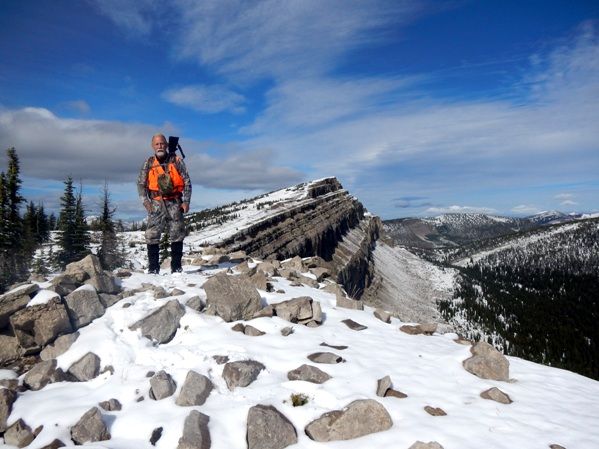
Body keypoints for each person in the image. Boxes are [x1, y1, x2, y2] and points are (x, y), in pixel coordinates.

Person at [137, 133, 192, 274]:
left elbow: (187, 182)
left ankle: (176, 268)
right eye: (157, 144)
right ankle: (153, 269)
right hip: (155, 204)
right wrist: (145, 202)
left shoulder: (177, 160)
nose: (160, 146)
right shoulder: (148, 163)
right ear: (152, 146)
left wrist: (186, 202)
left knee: (177, 234)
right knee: (152, 235)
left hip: (175, 202)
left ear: (166, 145)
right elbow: (141, 184)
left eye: (162, 143)